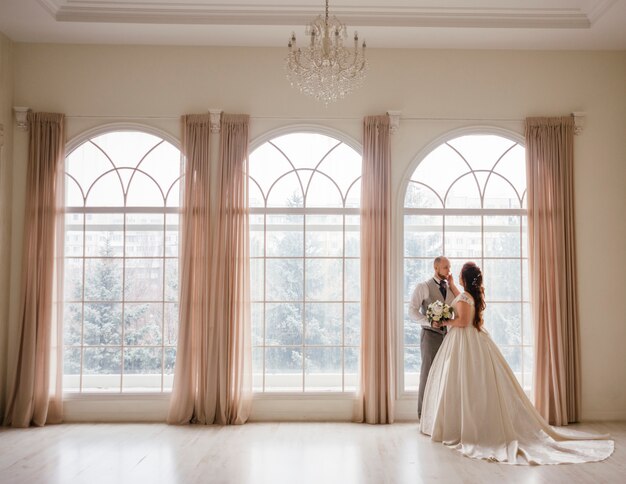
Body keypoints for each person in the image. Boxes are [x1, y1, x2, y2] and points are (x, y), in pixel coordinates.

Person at [419, 261, 614, 465]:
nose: (455, 277)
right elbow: (462, 302)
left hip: (464, 342)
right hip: (471, 340)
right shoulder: (469, 295)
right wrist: (451, 286)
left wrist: (443, 321)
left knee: (466, 383)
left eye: (458, 275)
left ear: (463, 278)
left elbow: (462, 321)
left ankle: (465, 426)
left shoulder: (465, 297)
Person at [409, 256, 459, 419]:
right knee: (428, 374)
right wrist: (430, 322)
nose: (448, 270)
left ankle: (441, 416)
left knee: (446, 375)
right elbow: (412, 311)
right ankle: (423, 415)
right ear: (436, 268)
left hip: (449, 337)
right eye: (445, 267)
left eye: (449, 267)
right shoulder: (423, 287)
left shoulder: (451, 288)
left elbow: (457, 307)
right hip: (430, 336)